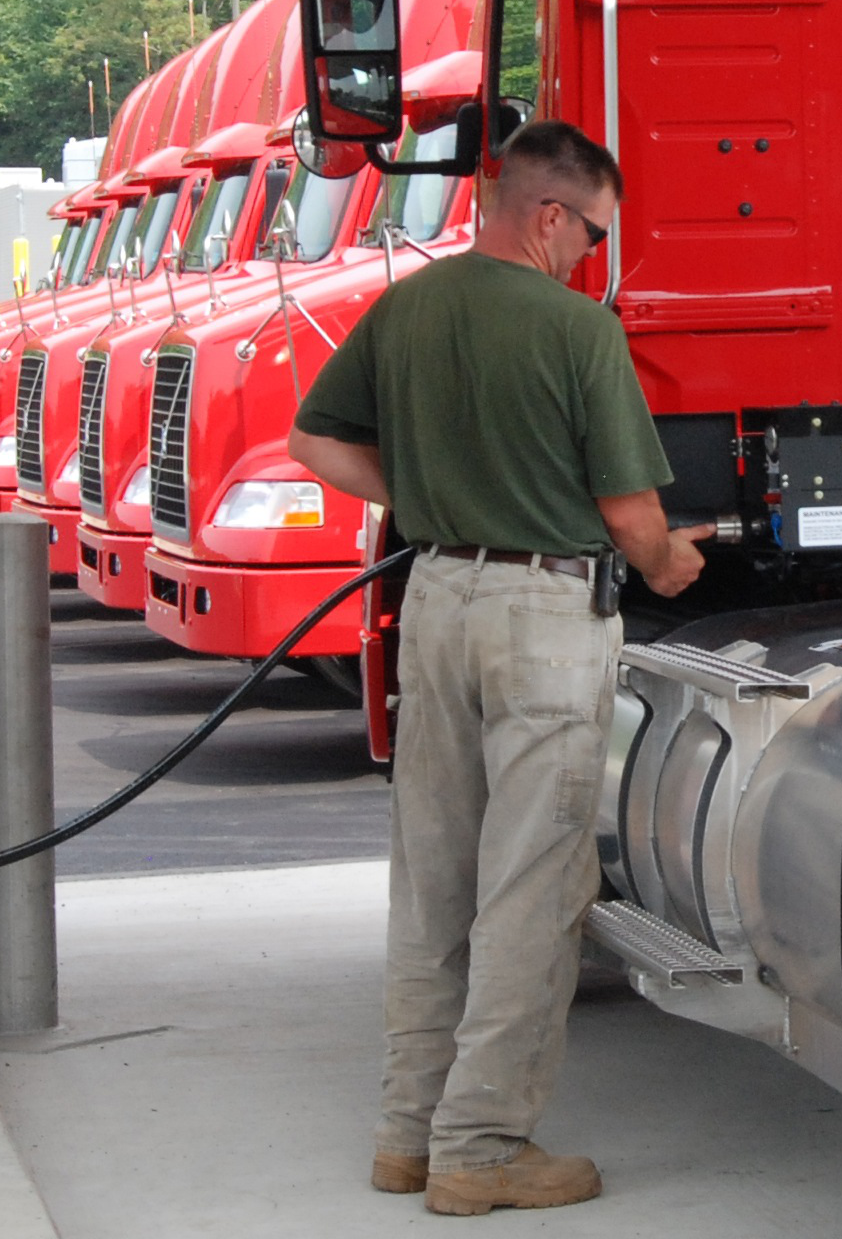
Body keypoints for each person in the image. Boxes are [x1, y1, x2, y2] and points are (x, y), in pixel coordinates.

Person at [289, 119, 710, 1216]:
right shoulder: (577, 330)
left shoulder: (411, 305)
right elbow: (630, 516)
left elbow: (314, 442)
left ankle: (405, 1135)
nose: (595, 256)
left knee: (432, 877)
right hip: (539, 613)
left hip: (433, 594)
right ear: (551, 214)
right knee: (533, 884)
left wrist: (426, 490)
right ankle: (481, 1146)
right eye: (595, 232)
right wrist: (671, 563)